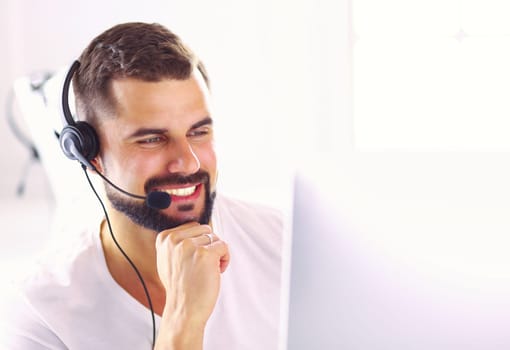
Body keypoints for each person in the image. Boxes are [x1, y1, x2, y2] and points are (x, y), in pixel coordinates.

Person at [0, 22, 283, 349]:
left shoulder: (286, 244)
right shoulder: (39, 317)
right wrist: (182, 318)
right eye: (152, 139)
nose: (188, 162)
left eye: (198, 132)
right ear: (91, 156)